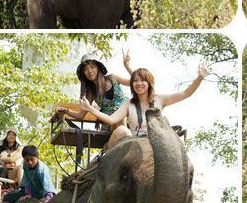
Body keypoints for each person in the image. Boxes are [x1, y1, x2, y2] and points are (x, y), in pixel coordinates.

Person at [80, 64, 211, 149]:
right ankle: (109, 166)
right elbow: (111, 120)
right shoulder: (128, 104)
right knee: (122, 131)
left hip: (157, 142)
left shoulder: (160, 100)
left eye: (143, 80)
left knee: (179, 143)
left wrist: (200, 77)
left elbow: (186, 93)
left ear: (149, 83)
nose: (139, 84)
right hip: (134, 143)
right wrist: (90, 108)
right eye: (135, 81)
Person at [54, 51, 133, 130]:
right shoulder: (91, 93)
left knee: (121, 117)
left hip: (127, 116)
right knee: (118, 121)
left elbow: (134, 82)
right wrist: (66, 111)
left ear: (98, 68)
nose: (89, 71)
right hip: (110, 123)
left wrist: (127, 66)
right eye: (85, 69)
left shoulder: (113, 78)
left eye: (92, 67)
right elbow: (80, 116)